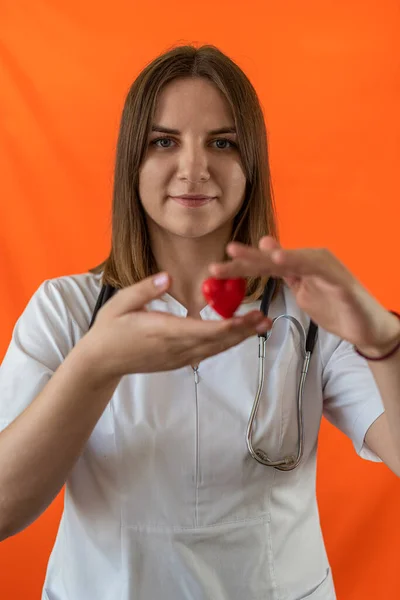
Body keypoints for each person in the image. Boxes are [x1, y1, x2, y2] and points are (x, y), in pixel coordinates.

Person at [0, 44, 399, 600]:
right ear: (131, 163)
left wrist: (386, 341)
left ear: (251, 162)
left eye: (223, 142)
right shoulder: (64, 311)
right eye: (164, 141)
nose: (194, 168)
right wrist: (95, 364)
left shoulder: (310, 312)